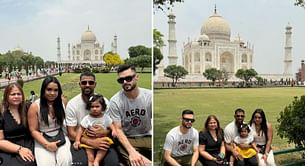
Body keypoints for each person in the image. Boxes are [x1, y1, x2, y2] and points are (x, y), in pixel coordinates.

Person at [65, 71, 119, 166]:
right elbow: (71, 132)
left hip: (102, 139)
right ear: (80, 84)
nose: (87, 85)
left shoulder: (104, 101)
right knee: (80, 163)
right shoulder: (72, 104)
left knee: (112, 163)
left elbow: (111, 125)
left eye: (91, 82)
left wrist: (104, 133)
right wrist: (91, 142)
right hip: (83, 140)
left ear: (95, 84)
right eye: (84, 82)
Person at [108, 64, 152, 166]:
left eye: (128, 78)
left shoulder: (149, 96)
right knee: (138, 163)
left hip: (147, 135)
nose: (125, 82)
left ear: (137, 77)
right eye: (121, 80)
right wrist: (132, 152)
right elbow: (118, 129)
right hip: (127, 138)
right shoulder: (116, 101)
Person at [27, 76, 72, 165]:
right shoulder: (35, 106)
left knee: (65, 160)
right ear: (43, 90)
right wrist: (47, 144)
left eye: (56, 90)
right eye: (49, 89)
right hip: (42, 138)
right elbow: (33, 130)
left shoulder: (63, 102)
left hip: (60, 136)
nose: (52, 93)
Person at [73, 94, 116, 166]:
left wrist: (114, 130)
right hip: (89, 139)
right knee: (89, 152)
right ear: (89, 108)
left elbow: (111, 124)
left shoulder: (105, 117)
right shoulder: (87, 118)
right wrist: (77, 140)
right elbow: (80, 129)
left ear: (102, 107)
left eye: (97, 106)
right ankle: (91, 162)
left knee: (104, 147)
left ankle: (97, 160)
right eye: (92, 107)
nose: (94, 109)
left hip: (102, 139)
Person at [0, 83, 36, 166]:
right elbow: (0, 140)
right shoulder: (1, 113)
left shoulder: (28, 108)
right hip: (9, 147)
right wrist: (19, 149)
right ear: (6, 96)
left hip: (29, 144)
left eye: (19, 94)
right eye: (13, 94)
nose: (16, 96)